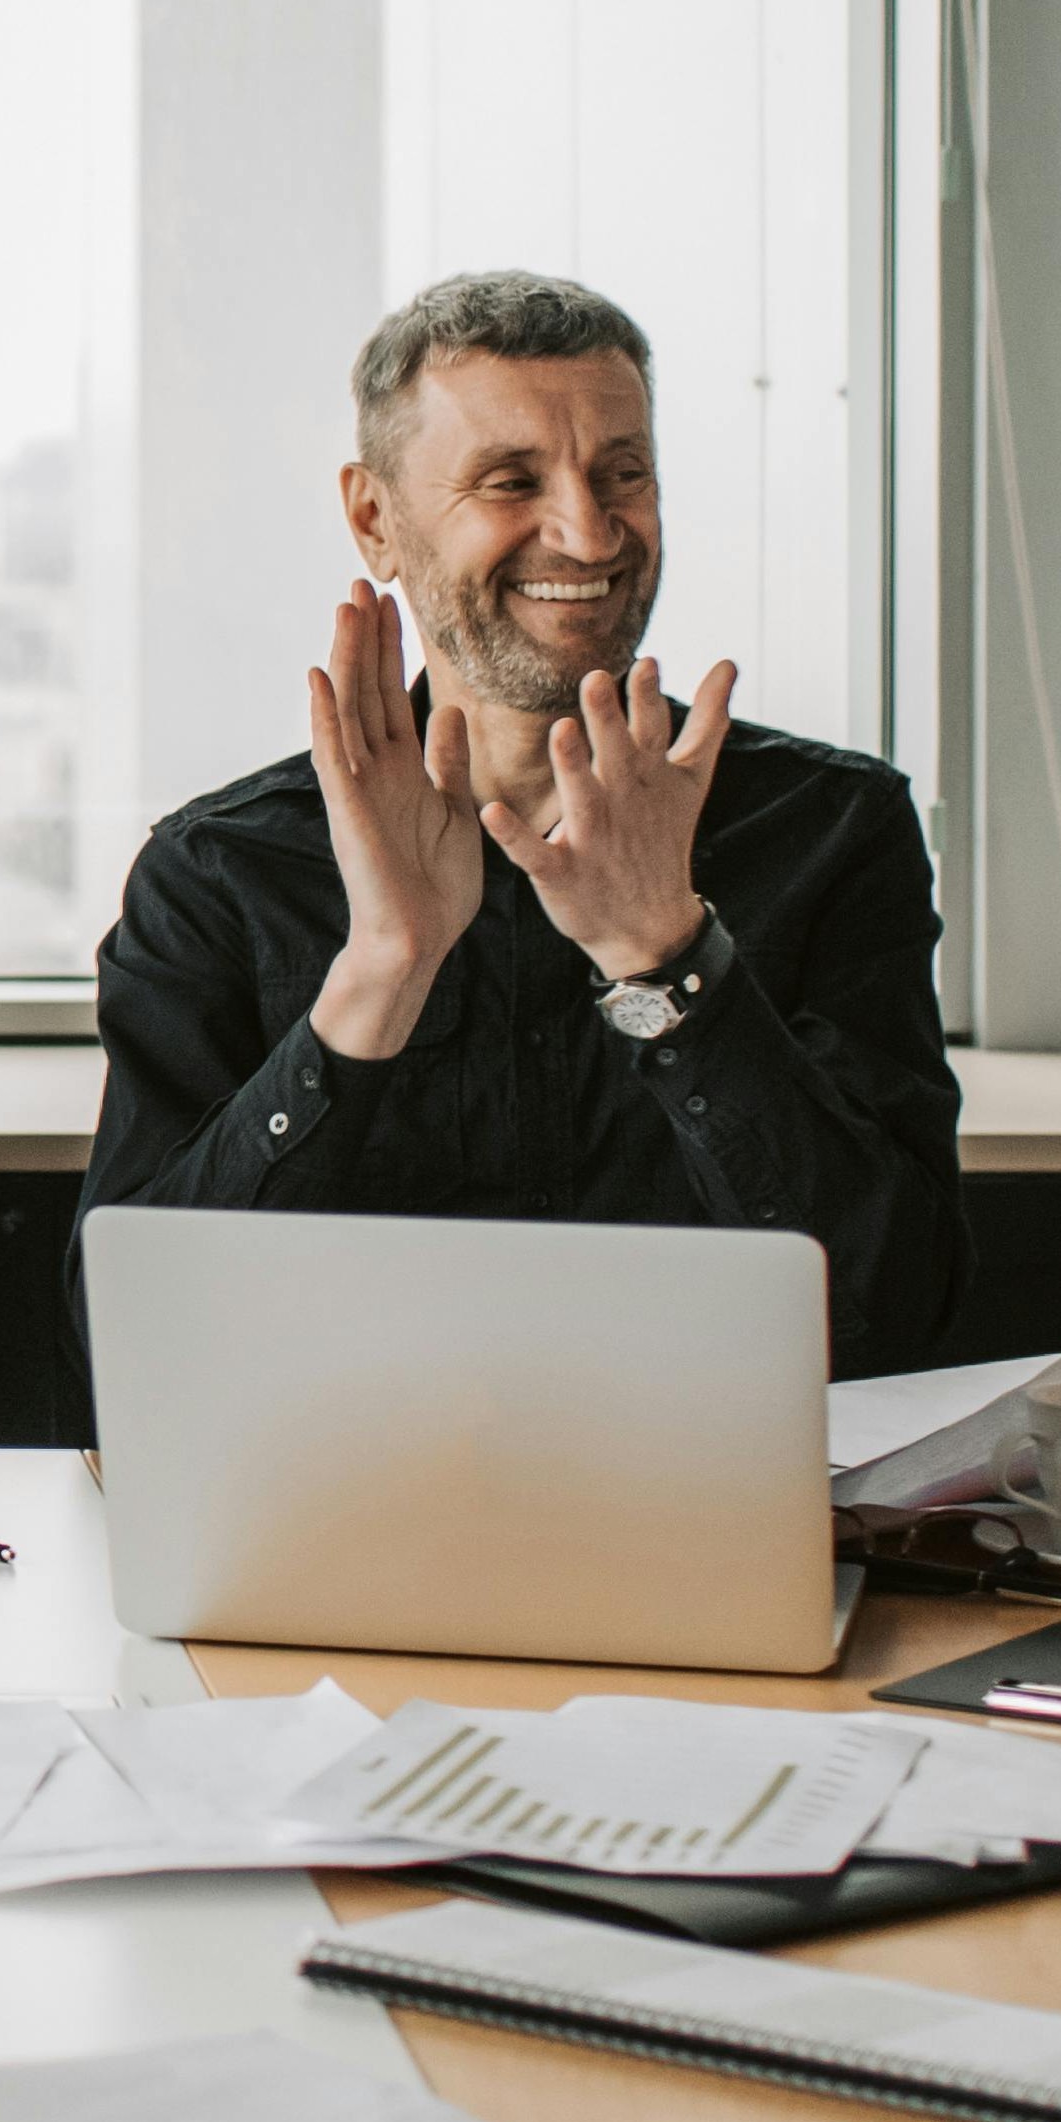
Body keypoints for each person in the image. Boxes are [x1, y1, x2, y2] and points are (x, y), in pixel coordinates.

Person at [73, 270, 968, 1384]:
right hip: (341, 1524)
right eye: (512, 480)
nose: (589, 534)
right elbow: (136, 1345)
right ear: (374, 518)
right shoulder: (219, 871)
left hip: (715, 1527)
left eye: (622, 474)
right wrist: (380, 973)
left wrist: (671, 964)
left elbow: (901, 1306)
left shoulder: (835, 831)